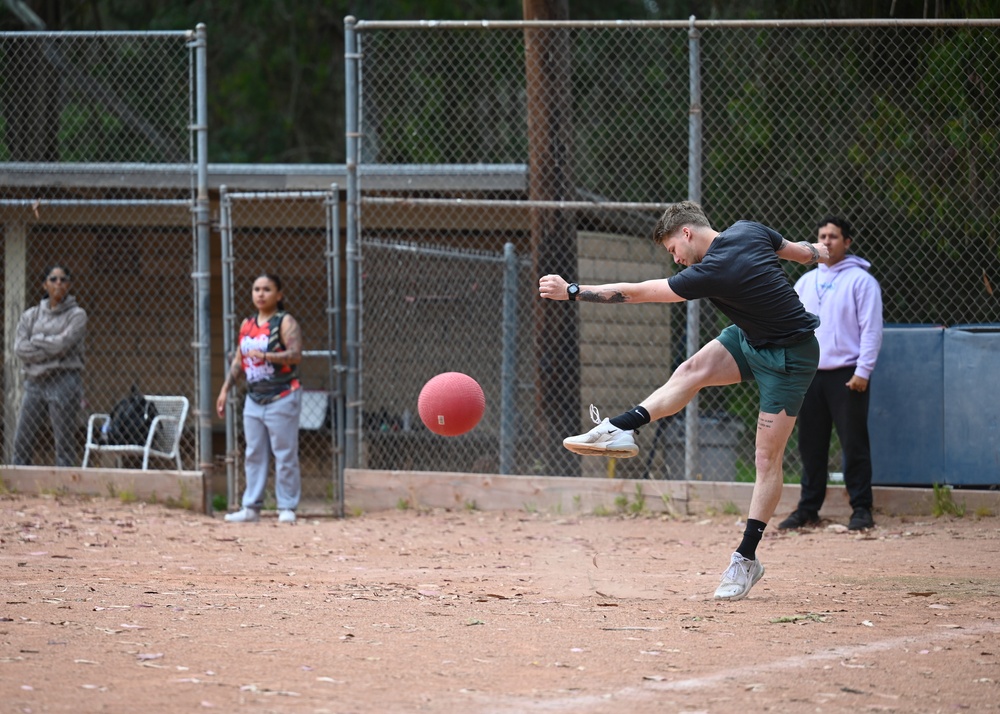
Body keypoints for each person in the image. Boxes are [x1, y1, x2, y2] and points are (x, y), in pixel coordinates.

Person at [538, 201, 829, 601]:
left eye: (673, 248)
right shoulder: (748, 227)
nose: (674, 257)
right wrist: (819, 252)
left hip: (790, 357)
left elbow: (636, 293)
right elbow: (797, 250)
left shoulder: (710, 272)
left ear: (688, 233)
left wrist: (572, 291)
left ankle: (746, 560)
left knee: (766, 460)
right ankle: (620, 427)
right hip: (749, 337)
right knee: (690, 371)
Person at [778, 217, 883, 532]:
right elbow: (791, 325)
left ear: (847, 242)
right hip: (809, 375)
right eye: (821, 236)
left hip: (847, 375)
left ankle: (861, 509)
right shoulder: (806, 282)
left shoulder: (861, 281)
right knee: (810, 444)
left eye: (834, 236)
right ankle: (808, 509)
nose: (827, 241)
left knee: (853, 444)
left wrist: (863, 371)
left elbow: (871, 330)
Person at [216, 274, 303, 524]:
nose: (261, 294)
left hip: (282, 394)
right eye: (256, 289)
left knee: (284, 453)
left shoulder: (284, 322)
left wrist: (267, 357)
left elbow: (296, 355)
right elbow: (238, 360)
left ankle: (286, 506)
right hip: (254, 397)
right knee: (254, 453)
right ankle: (251, 507)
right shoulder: (247, 324)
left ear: (279, 294)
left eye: (267, 289)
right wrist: (225, 390)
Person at [13, 265, 87, 467]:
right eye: (53, 279)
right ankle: (18, 487)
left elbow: (64, 343)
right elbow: (20, 348)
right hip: (35, 382)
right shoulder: (31, 315)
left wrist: (36, 340)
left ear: (69, 285)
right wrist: (53, 351)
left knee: (63, 442)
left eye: (63, 280)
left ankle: (64, 489)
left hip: (64, 381)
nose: (58, 283)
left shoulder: (77, 315)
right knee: (23, 440)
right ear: (45, 284)